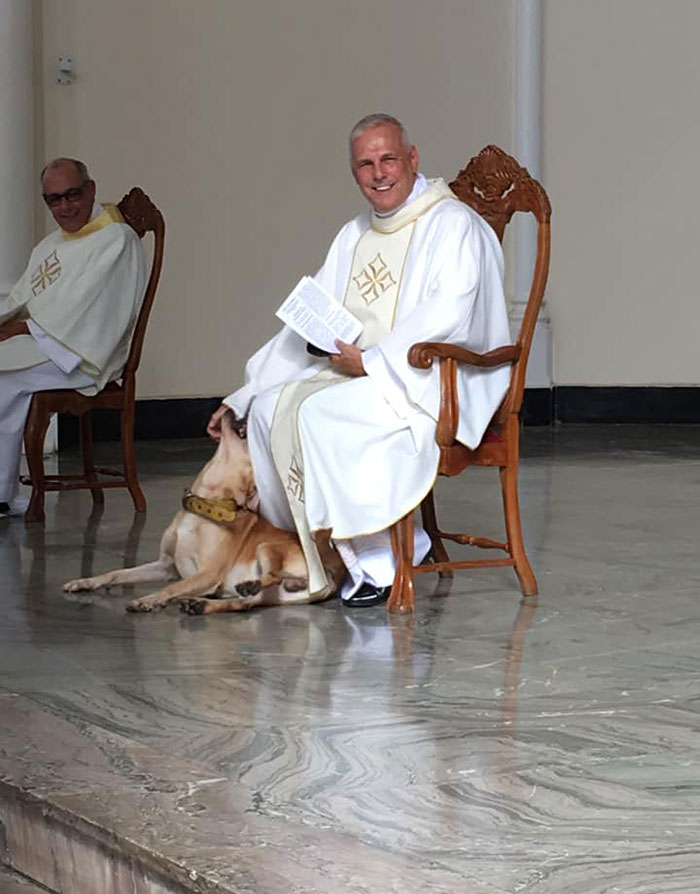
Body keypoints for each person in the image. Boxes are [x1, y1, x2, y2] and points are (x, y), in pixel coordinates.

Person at [208, 114, 511, 606]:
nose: (379, 173)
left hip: (433, 377)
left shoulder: (453, 224)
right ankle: (324, 554)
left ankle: (384, 564)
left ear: (412, 159)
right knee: (267, 411)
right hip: (363, 370)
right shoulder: (354, 233)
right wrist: (243, 396)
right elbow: (308, 319)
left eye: (388, 158)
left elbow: (454, 310)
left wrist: (373, 362)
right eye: (365, 164)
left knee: (323, 415)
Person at [0, 158, 146, 517]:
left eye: (71, 195)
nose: (64, 207)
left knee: (3, 377)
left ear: (91, 189)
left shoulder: (115, 239)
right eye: (53, 200)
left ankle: (5, 495)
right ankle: (6, 489)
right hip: (50, 344)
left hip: (84, 353)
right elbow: (29, 299)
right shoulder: (55, 242)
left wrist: (18, 329)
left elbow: (85, 312)